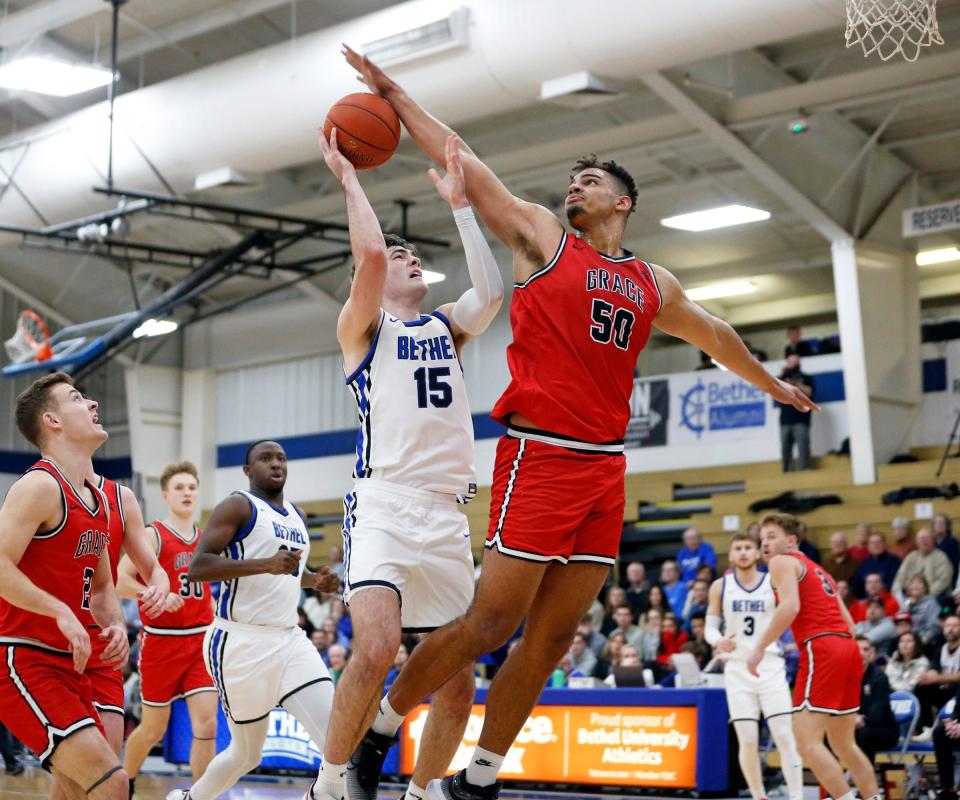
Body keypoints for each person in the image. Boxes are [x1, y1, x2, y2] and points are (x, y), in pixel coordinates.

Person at [340, 45, 816, 800]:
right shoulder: (541, 238)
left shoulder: (650, 281)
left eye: (590, 180)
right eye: (574, 179)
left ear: (622, 203)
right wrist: (394, 94)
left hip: (605, 467)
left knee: (555, 636)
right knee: (489, 625)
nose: (575, 186)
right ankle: (378, 734)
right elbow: (461, 155)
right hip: (540, 454)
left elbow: (717, 333)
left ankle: (483, 777)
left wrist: (769, 383)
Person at [311, 121, 504, 800]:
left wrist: (461, 208)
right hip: (385, 503)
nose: (408, 256)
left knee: (458, 679)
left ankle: (423, 793)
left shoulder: (444, 326)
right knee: (374, 648)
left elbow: (492, 296)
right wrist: (350, 178)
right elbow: (366, 258)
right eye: (400, 254)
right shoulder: (364, 329)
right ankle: (332, 781)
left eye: (414, 252)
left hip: (447, 512)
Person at [164, 440, 339, 800]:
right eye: (265, 458)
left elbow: (287, 572)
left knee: (338, 740)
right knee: (246, 754)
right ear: (248, 470)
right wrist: (267, 564)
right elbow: (198, 568)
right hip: (240, 643)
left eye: (281, 458)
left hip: (290, 640)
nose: (275, 464)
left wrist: (314, 581)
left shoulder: (298, 516)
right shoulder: (237, 506)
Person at [0, 372, 130, 798]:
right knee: (112, 784)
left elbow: (103, 588)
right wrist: (58, 610)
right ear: (52, 421)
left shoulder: (96, 500)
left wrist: (114, 627)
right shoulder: (39, 486)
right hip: (23, 657)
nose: (92, 405)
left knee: (73, 789)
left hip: (72, 662)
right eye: (77, 398)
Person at [750, 513, 880, 800]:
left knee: (807, 743)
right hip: (848, 648)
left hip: (822, 649)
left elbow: (790, 608)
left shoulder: (781, 562)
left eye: (772, 536)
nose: (765, 544)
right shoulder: (821, 571)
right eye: (762, 539)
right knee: (844, 745)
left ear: (792, 540)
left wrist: (760, 647)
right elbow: (849, 624)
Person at [119, 462, 219, 796]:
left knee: (206, 726)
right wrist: (157, 592)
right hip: (162, 644)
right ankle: (125, 782)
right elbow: (120, 580)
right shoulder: (153, 535)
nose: (187, 492)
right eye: (179, 487)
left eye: (192, 487)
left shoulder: (207, 539)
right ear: (165, 495)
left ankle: (200, 794)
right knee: (152, 730)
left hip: (201, 642)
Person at [706, 532, 803, 800]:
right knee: (747, 740)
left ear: (758, 553)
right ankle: (759, 795)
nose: (744, 552)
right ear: (731, 554)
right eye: (738, 548)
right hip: (737, 669)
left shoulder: (772, 581)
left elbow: (791, 612)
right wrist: (719, 640)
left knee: (784, 737)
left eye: (749, 547)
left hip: (770, 665)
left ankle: (797, 796)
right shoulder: (720, 586)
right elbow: (709, 629)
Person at [854, 636, 900, 763]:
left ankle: (866, 780)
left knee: (864, 734)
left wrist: (857, 719)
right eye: (857, 649)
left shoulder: (879, 677)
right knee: (828, 735)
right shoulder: (846, 675)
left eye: (865, 649)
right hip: (854, 725)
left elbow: (876, 715)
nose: (861, 653)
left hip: (883, 730)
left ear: (872, 652)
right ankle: (830, 781)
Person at [915, 615, 960, 737]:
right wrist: (928, 676)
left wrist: (938, 678)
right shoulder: (941, 649)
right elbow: (934, 668)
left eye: (955, 625)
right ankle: (926, 727)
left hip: (957, 693)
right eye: (948, 625)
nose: (950, 629)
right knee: (921, 687)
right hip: (944, 691)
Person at [776, 354, 815, 472]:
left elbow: (809, 392)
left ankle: (805, 468)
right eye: (790, 362)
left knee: (803, 445)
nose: (791, 364)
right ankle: (787, 470)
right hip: (785, 419)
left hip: (801, 418)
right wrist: (783, 378)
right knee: (785, 447)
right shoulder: (781, 378)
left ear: (799, 363)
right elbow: (774, 394)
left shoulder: (806, 377)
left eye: (794, 362)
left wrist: (796, 385)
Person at [893, 529, 953, 600]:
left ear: (933, 540)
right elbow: (900, 576)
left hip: (934, 597)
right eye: (921, 538)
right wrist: (897, 592)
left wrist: (924, 595)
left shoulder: (941, 557)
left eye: (927, 538)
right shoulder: (911, 557)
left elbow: (944, 580)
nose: (924, 541)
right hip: (910, 597)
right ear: (917, 542)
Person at [852, 531, 901, 598]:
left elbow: (895, 584)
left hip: (887, 598)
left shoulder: (893, 560)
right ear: (868, 546)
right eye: (872, 543)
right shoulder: (864, 563)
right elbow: (857, 586)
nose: (876, 545)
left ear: (884, 544)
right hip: (867, 600)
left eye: (878, 542)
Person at [903, 574, 942, 643]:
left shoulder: (931, 603)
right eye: (913, 583)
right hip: (907, 639)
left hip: (924, 640)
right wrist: (907, 608)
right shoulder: (907, 603)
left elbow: (934, 627)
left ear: (925, 588)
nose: (916, 585)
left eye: (919, 582)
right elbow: (900, 624)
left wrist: (923, 640)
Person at [934, 514, 960, 581]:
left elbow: (954, 565)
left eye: (942, 523)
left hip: (948, 576)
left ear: (947, 526)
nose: (939, 525)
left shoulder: (953, 542)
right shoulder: (931, 541)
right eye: (937, 523)